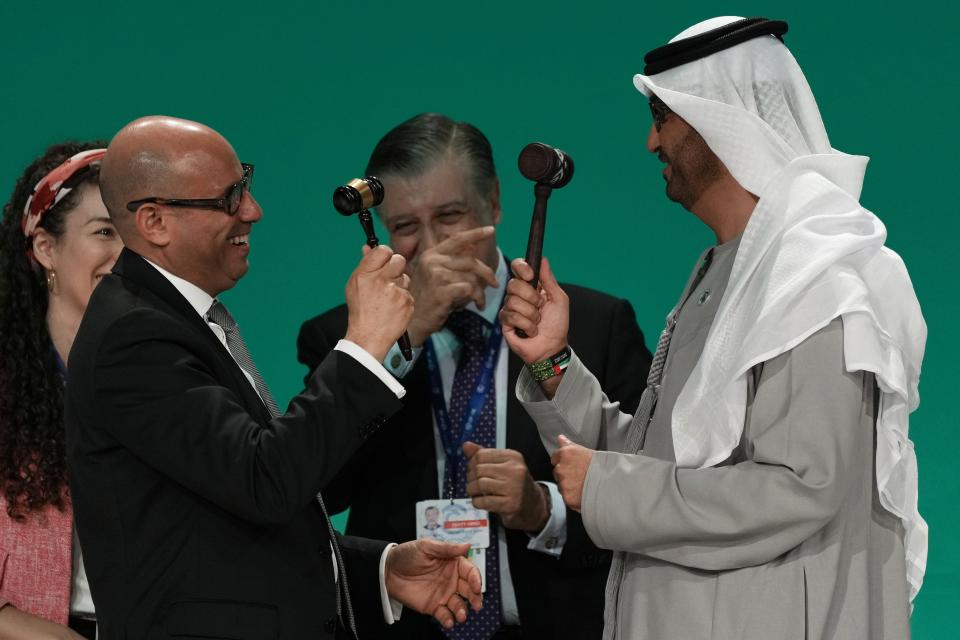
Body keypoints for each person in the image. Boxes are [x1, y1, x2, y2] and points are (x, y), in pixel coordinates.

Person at [500, 16, 926, 640]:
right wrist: (551, 362)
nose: (651, 144)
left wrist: (608, 488)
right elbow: (668, 460)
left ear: (714, 123)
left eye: (662, 119)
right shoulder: (731, 265)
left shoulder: (815, 277)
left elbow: (797, 490)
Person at [63, 115, 483, 640]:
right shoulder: (135, 339)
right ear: (154, 222)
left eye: (247, 183)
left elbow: (223, 519)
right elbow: (269, 482)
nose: (253, 211)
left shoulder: (174, 318)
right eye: (229, 198)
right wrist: (364, 346)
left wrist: (380, 568)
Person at [298, 113, 651, 639]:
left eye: (451, 216)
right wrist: (407, 334)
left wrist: (543, 509)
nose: (432, 246)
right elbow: (318, 491)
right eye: (405, 228)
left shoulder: (596, 326)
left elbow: (651, 494)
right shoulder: (344, 340)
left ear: (496, 203)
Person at [0, 141, 122, 640]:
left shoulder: (181, 375)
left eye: (136, 232)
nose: (126, 253)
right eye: (104, 231)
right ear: (46, 248)